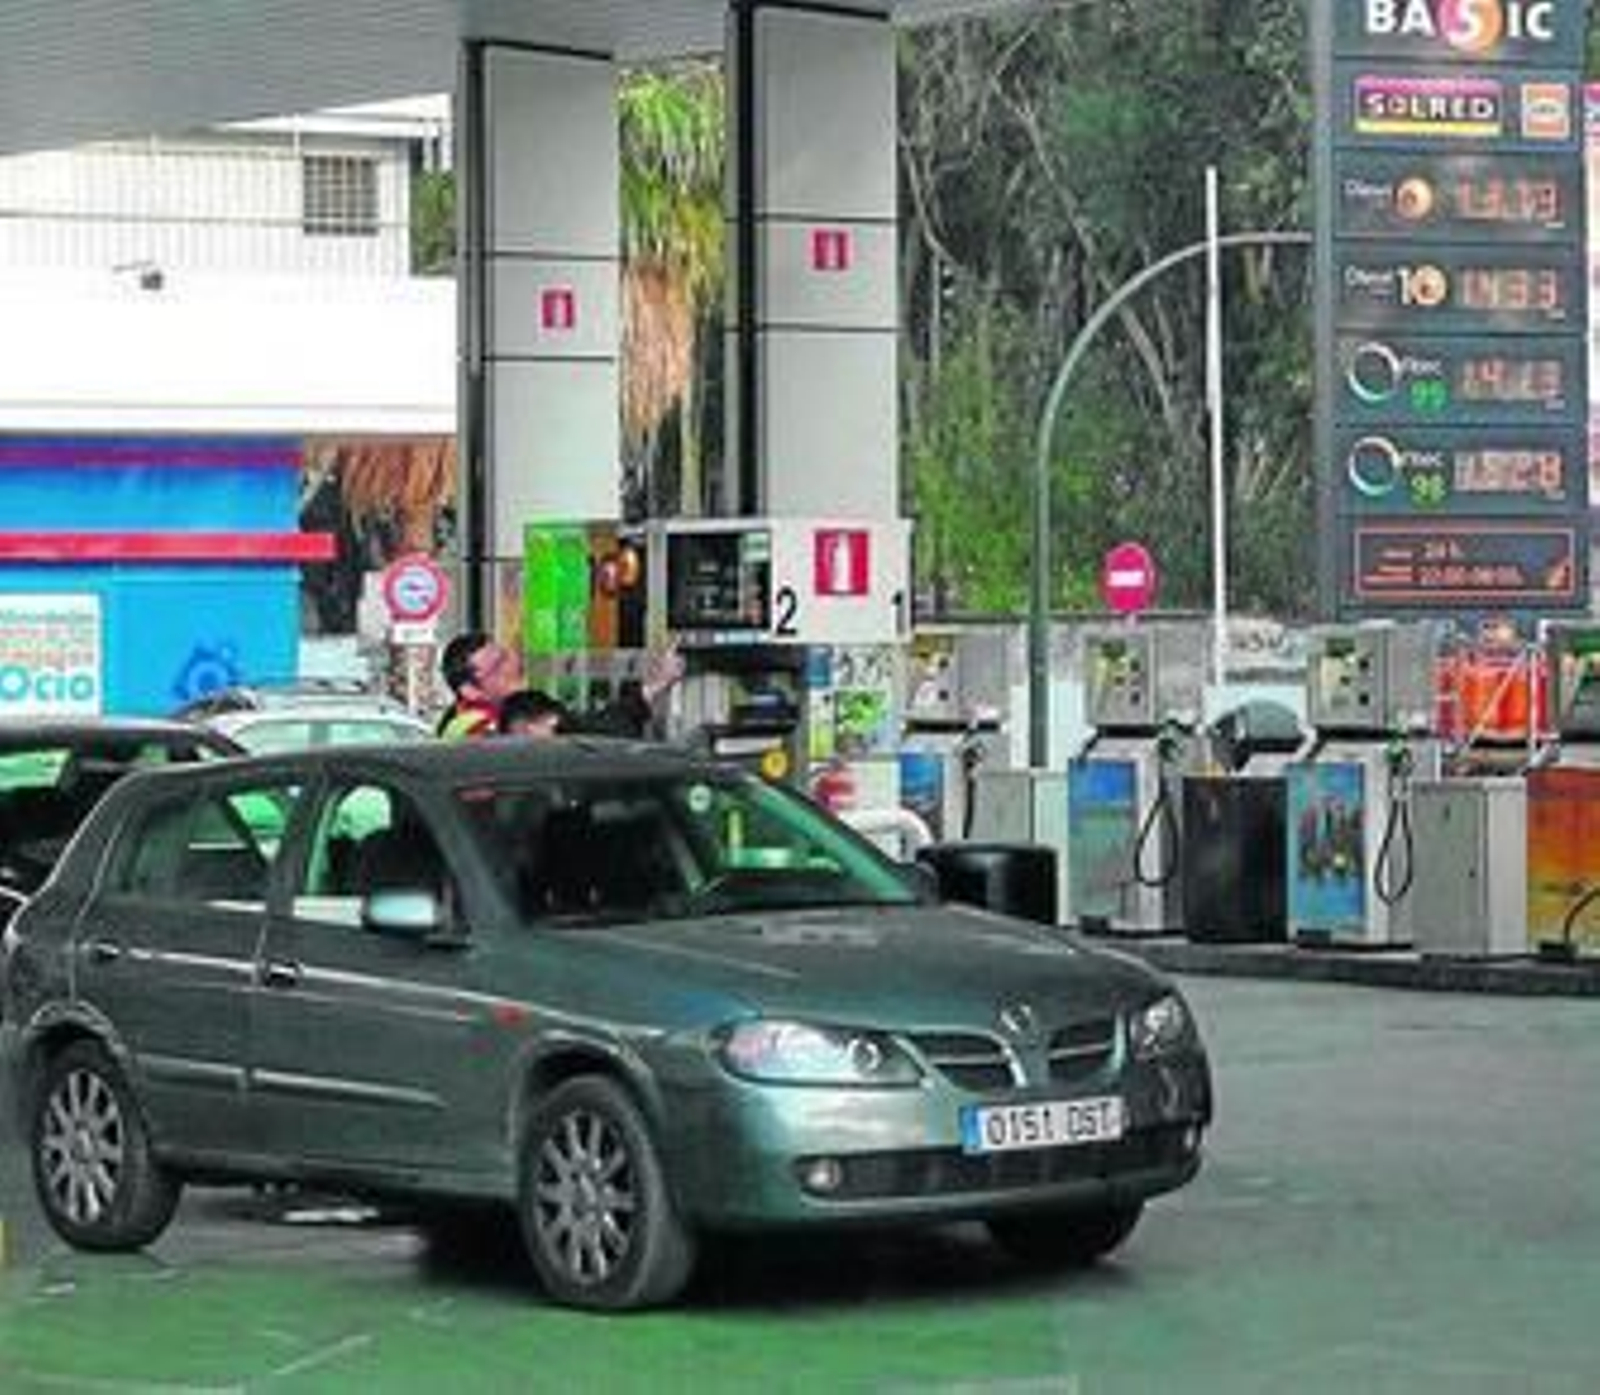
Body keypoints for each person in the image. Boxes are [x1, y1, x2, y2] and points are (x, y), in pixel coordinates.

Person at [495, 640, 686, 741]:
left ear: (550, 719)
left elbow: (617, 717)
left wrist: (662, 681)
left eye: (527, 731)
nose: (524, 748)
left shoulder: (587, 743)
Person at [436, 630, 524, 739]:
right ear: (471, 691)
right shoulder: (478, 732)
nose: (514, 665)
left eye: (506, 655)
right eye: (497, 666)